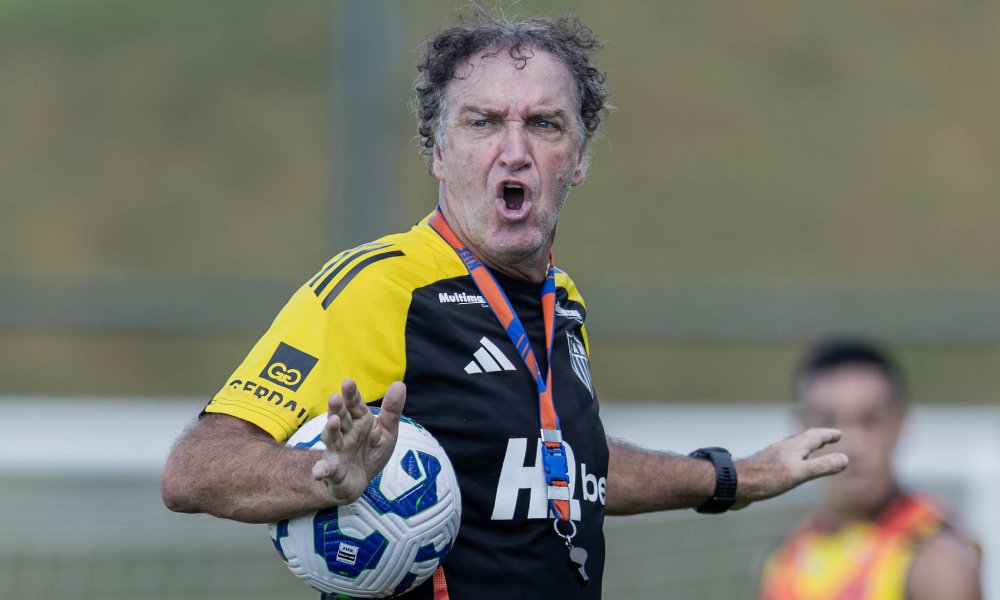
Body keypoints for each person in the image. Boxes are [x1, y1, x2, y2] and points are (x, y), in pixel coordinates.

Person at [162, 12, 848, 599]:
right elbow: (194, 469)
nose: (513, 151)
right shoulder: (382, 287)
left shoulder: (561, 301)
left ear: (579, 157)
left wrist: (739, 477)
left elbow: (572, 468)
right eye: (484, 122)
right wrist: (319, 477)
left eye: (545, 125)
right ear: (437, 150)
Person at [759, 338, 981, 600]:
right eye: (828, 422)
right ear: (800, 427)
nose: (851, 444)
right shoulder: (785, 556)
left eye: (870, 421)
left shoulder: (935, 560)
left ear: (899, 425)